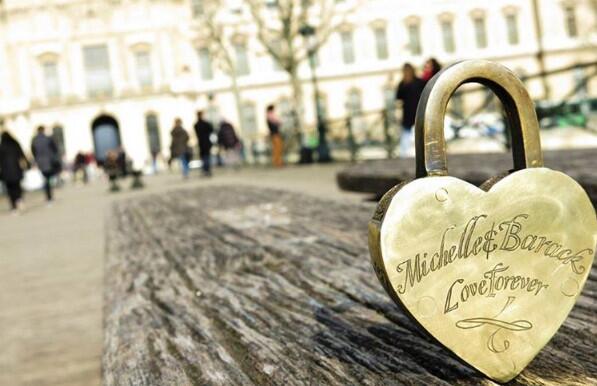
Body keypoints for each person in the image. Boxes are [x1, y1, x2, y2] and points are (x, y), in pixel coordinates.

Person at [396, 63, 425, 157]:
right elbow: (399, 98)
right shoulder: (415, 82)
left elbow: (398, 99)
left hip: (413, 112)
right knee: (412, 134)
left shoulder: (405, 83)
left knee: (412, 134)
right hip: (414, 112)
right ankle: (406, 155)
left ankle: (405, 155)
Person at [0, 131, 29, 213]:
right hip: (16, 169)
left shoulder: (1, 146)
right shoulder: (15, 144)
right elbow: (22, 155)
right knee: (17, 187)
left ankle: (13, 207)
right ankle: (19, 200)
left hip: (6, 171)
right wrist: (27, 164)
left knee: (10, 189)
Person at [31, 125, 60, 203]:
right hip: (49, 161)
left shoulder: (34, 140)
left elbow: (33, 151)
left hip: (41, 162)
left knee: (45, 179)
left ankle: (48, 195)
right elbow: (55, 149)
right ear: (43, 130)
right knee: (49, 178)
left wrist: (36, 160)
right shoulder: (48, 138)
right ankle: (50, 195)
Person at [193, 111, 214, 177]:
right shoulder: (205, 123)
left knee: (204, 157)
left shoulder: (196, 124)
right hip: (206, 142)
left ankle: (205, 170)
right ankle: (207, 170)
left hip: (201, 143)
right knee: (207, 157)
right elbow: (211, 129)